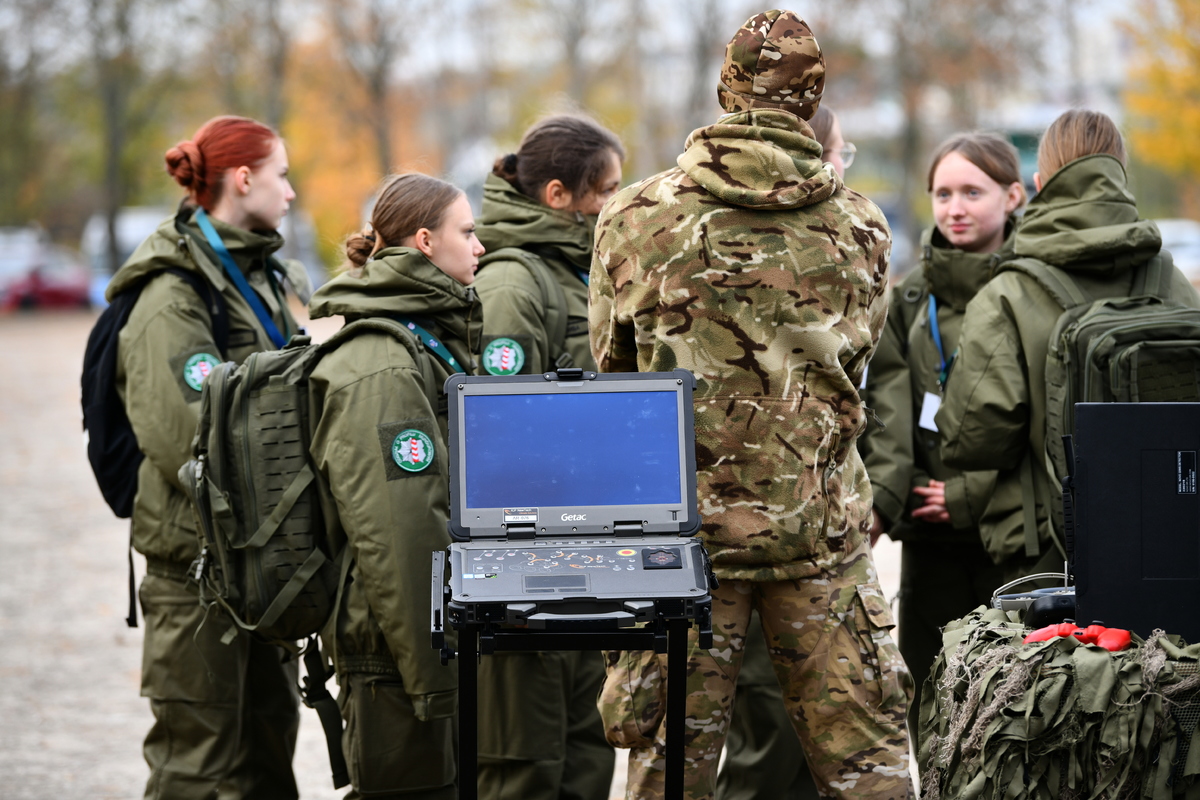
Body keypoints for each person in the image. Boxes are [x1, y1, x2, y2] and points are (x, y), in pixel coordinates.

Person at [590, 10, 913, 800]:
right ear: (812, 98)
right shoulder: (862, 226)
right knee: (869, 773)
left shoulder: (633, 217)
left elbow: (614, 370)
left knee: (668, 774)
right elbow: (857, 361)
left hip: (679, 543)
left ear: (726, 89)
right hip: (820, 532)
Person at [107, 114, 308, 800]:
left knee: (265, 758)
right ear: (243, 178)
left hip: (259, 564)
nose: (290, 192)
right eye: (281, 175)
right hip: (198, 572)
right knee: (198, 768)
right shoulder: (174, 295)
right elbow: (184, 440)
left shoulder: (264, 277)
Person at [936, 110, 1200, 580]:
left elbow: (970, 441)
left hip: (1051, 555)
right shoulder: (1171, 277)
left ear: (1040, 182)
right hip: (1170, 539)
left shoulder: (1008, 293)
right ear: (1120, 176)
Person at [305, 172, 484, 799]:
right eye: (468, 231)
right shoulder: (380, 360)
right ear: (427, 241)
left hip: (421, 633)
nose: (480, 245)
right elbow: (399, 530)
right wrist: (434, 674)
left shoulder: (424, 341)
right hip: (392, 645)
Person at [469, 114, 623, 800]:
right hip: (532, 557)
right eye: (607, 188)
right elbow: (502, 427)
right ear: (560, 195)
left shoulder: (581, 267)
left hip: (590, 547)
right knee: (527, 760)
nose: (618, 202)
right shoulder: (512, 280)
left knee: (590, 748)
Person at [858, 132, 1024, 731]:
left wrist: (970, 495)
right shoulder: (909, 297)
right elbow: (892, 411)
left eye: (972, 192)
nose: (955, 207)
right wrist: (889, 501)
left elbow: (1034, 418)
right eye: (942, 193)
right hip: (928, 536)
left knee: (1011, 704)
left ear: (1012, 196)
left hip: (1010, 536)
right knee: (931, 699)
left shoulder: (1031, 291)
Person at [716, 103, 853, 800]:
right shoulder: (850, 233)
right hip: (799, 526)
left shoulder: (669, 223)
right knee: (786, 724)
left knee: (762, 723)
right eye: (839, 152)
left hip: (732, 522)